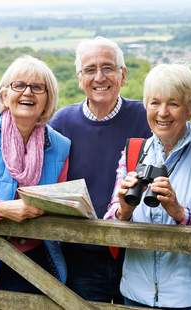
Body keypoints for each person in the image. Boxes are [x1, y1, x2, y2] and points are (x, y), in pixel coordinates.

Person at [104, 64, 191, 309]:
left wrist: (181, 213)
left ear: (190, 108)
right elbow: (110, 219)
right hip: (137, 294)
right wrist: (123, 211)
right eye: (154, 103)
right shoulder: (133, 153)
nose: (162, 112)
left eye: (173, 103)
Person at [49, 36, 152, 302]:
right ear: (79, 77)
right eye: (90, 69)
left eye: (107, 67)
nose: (99, 77)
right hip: (82, 253)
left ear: (123, 74)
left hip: (137, 251)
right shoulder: (62, 122)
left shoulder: (146, 117)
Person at [0, 55, 71, 293]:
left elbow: (58, 201)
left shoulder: (60, 146)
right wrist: (2, 208)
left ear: (48, 99)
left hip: (33, 261)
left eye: (37, 87)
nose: (27, 93)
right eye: (19, 85)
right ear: (5, 95)